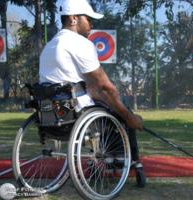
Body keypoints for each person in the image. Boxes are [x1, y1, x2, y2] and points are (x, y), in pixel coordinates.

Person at [39, 0, 145, 187]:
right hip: (75, 113)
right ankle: (126, 161)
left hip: (52, 115)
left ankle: (114, 158)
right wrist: (130, 118)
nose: (91, 24)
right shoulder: (80, 44)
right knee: (122, 111)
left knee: (109, 104)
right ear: (73, 19)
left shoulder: (50, 45)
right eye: (88, 18)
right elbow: (105, 87)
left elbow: (86, 88)